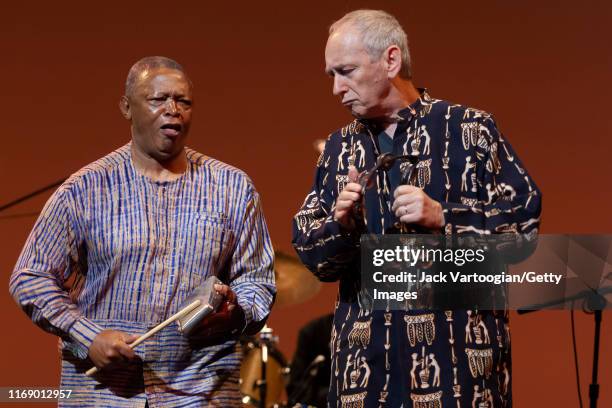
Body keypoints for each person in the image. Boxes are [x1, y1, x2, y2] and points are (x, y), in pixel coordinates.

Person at [292, 10, 541, 407]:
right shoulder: (339, 149)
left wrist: (445, 218)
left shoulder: (470, 129)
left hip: (460, 363)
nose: (337, 88)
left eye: (346, 71)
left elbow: (523, 225)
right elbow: (310, 253)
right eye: (331, 75)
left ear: (391, 60)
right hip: (366, 368)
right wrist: (342, 226)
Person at [10, 56, 276, 407]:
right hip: (105, 394)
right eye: (158, 99)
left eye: (183, 101)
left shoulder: (232, 187)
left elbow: (257, 279)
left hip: (200, 391)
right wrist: (88, 336)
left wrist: (236, 312)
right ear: (126, 107)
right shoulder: (85, 189)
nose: (173, 110)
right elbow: (30, 276)